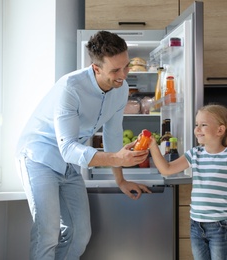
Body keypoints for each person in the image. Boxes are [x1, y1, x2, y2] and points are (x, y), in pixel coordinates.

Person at [16, 30, 151, 260]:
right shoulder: (70, 88)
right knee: (47, 233)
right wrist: (116, 159)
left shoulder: (121, 90)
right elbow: (67, 148)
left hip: (70, 164)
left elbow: (113, 133)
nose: (123, 75)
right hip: (39, 157)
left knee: (80, 234)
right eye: (115, 70)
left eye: (126, 66)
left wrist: (120, 179)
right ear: (96, 68)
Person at [149, 104, 227, 260]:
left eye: (203, 125)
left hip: (221, 226)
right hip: (196, 225)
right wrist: (153, 146)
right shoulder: (195, 154)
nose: (197, 129)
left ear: (220, 130)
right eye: (197, 125)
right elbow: (166, 169)